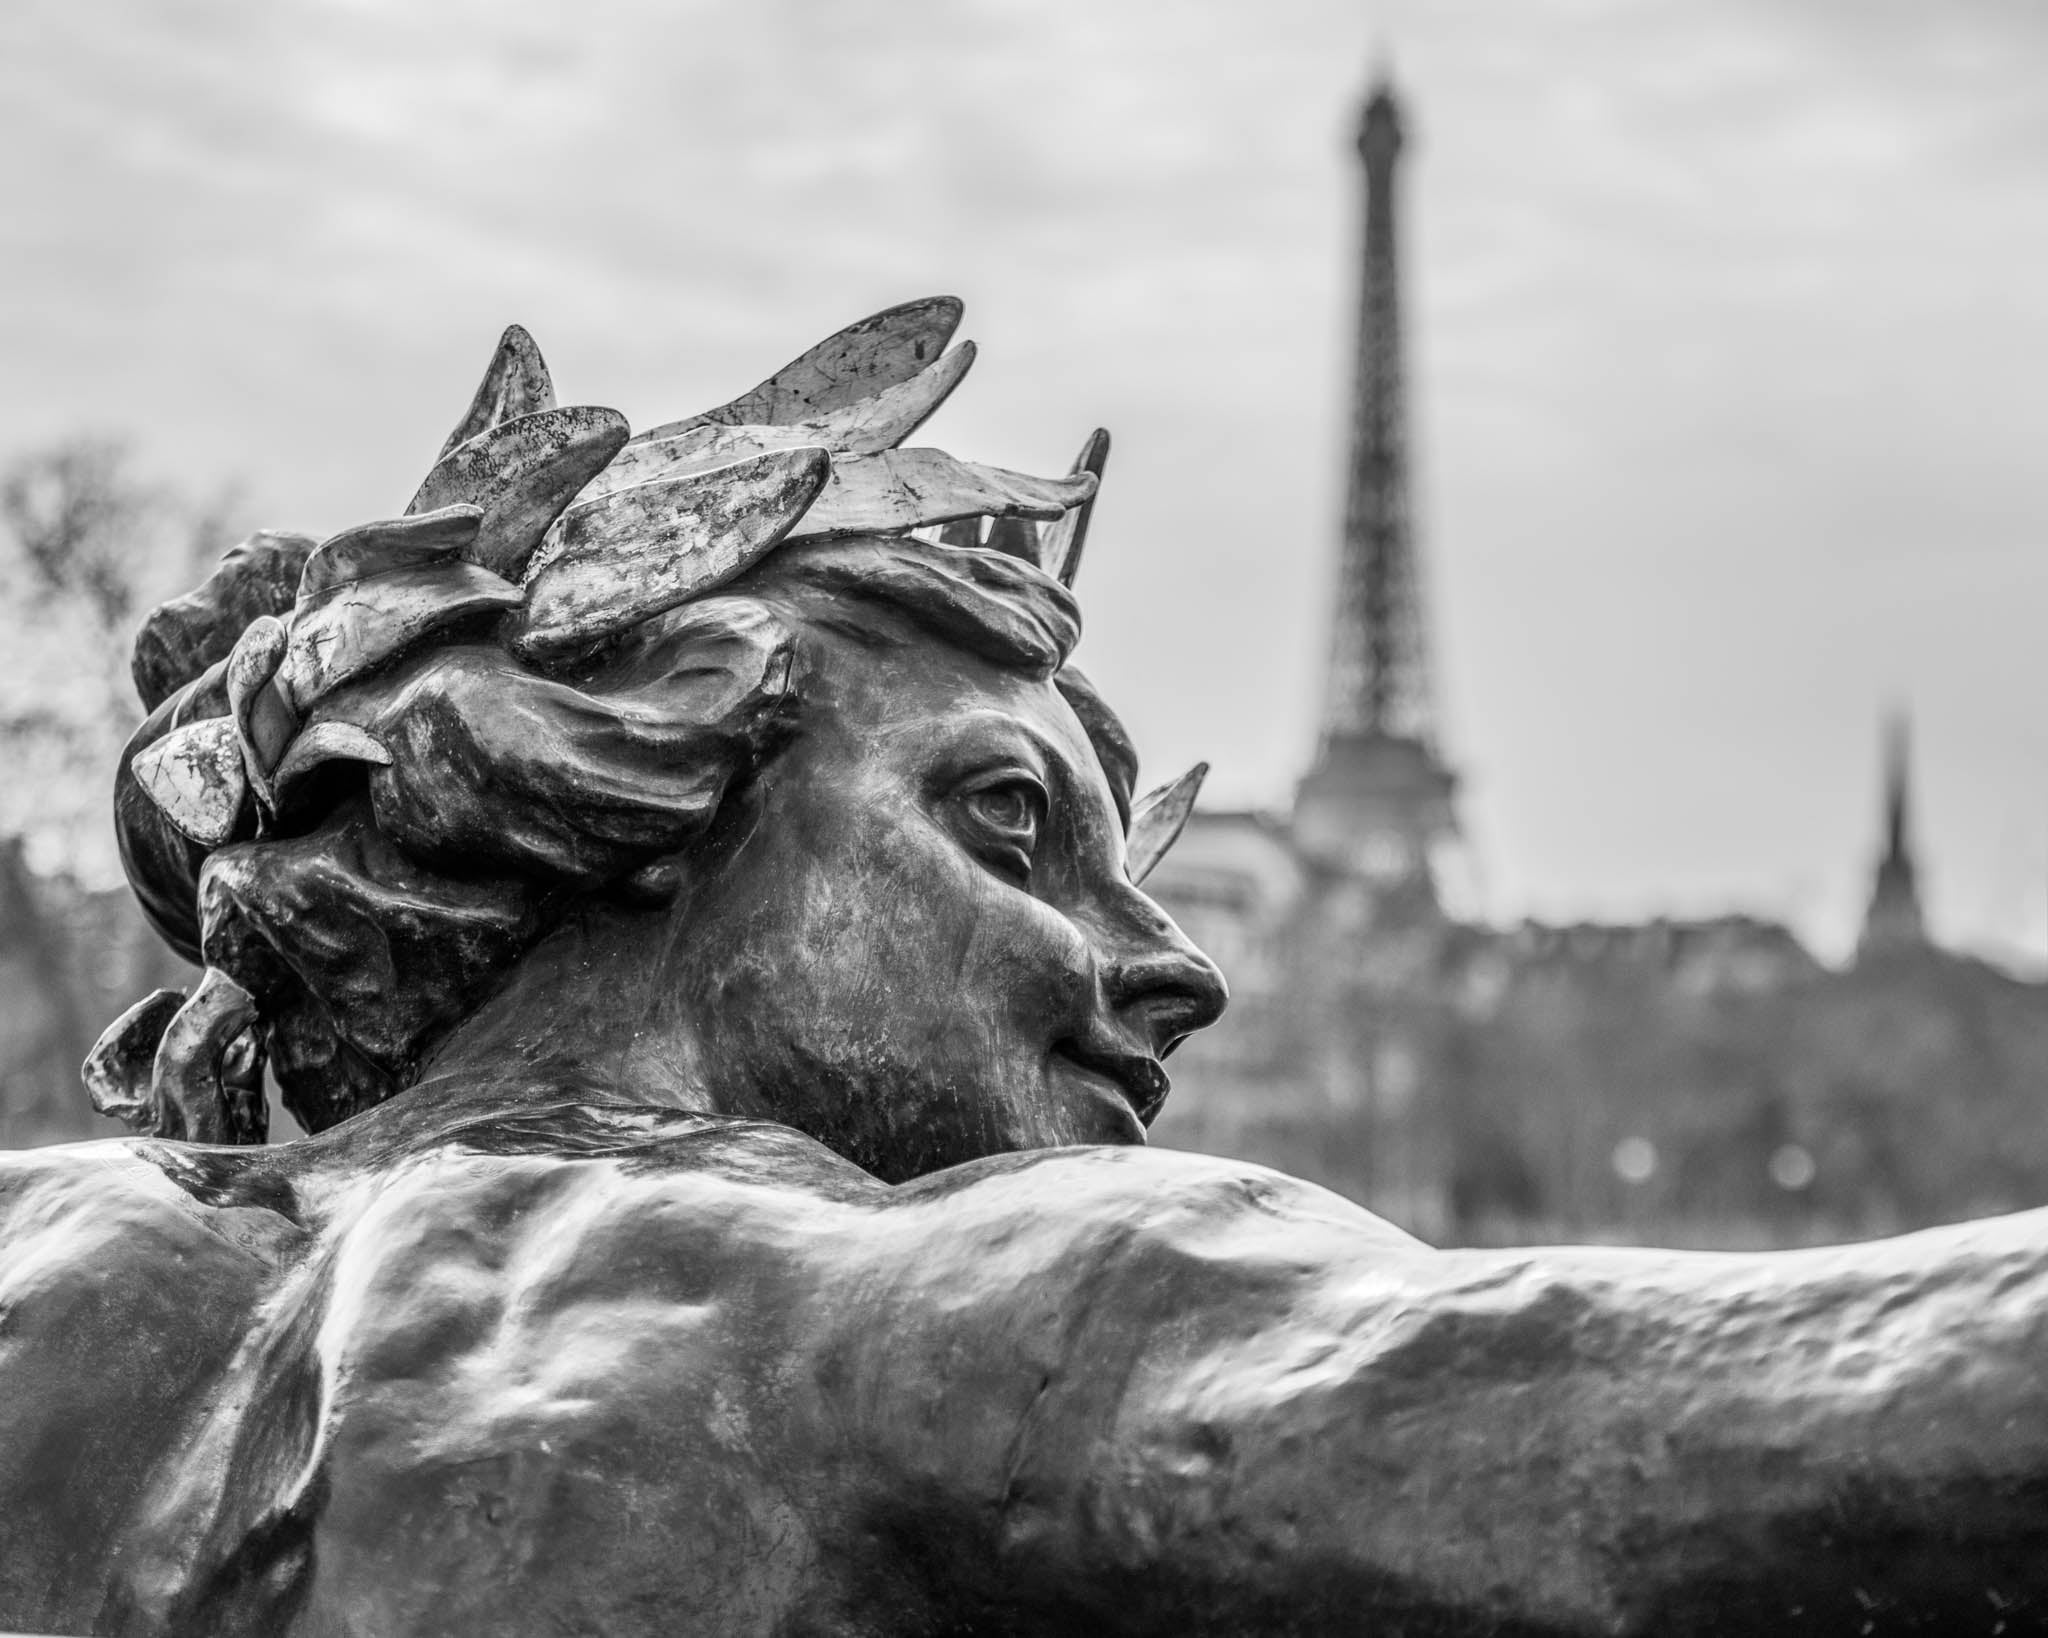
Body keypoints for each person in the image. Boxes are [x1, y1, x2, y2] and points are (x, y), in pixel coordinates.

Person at [4, 302, 2043, 1637]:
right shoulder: (841, 1319)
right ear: (643, 806)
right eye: (1008, 824)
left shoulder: (51, 1253)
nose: (1168, 968)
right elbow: (1735, 1422)